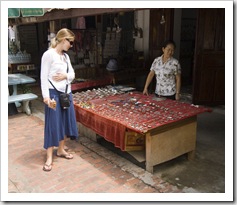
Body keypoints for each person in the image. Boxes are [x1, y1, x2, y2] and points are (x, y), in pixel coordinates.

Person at [40, 28, 79, 171]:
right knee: (52, 124)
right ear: (63, 40)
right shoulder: (48, 55)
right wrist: (46, 97)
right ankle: (49, 156)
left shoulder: (65, 57)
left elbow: (73, 74)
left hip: (66, 93)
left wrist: (65, 76)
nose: (71, 45)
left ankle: (61, 149)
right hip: (53, 94)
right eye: (70, 42)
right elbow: (43, 77)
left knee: (63, 123)